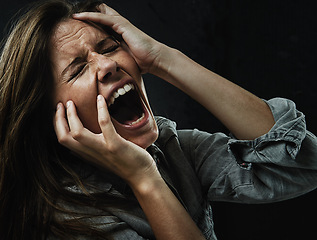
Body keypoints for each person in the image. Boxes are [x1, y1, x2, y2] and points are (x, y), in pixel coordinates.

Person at [0, 0, 316, 239]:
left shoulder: (172, 148)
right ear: (53, 118)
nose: (107, 65)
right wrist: (144, 179)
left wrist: (165, 59)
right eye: (78, 69)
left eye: (109, 48)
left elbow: (302, 165)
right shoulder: (60, 218)